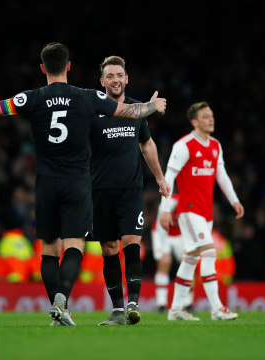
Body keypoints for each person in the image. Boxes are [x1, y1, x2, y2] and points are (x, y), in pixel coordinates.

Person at [0, 42, 166, 326]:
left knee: (49, 250)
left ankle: (58, 308)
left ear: (42, 68)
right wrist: (152, 105)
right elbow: (130, 112)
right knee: (74, 245)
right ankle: (63, 299)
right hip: (77, 183)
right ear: (69, 66)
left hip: (45, 184)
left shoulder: (32, 97)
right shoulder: (87, 97)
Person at [92, 56, 171, 326]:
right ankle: (116, 311)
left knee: (131, 242)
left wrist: (160, 177)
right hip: (99, 190)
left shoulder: (137, 109)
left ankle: (134, 304)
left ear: (127, 79)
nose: (115, 80)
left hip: (130, 189)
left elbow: (146, 145)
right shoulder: (93, 109)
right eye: (110, 76)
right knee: (108, 248)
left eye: (119, 75)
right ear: (102, 81)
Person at [160, 101, 244, 321]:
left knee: (191, 258)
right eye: (206, 116)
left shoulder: (215, 145)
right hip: (188, 210)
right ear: (194, 121)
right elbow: (168, 177)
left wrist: (234, 200)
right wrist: (165, 208)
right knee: (209, 252)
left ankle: (176, 309)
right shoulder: (184, 145)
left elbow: (222, 176)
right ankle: (217, 309)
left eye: (212, 115)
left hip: (206, 213)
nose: (211, 119)